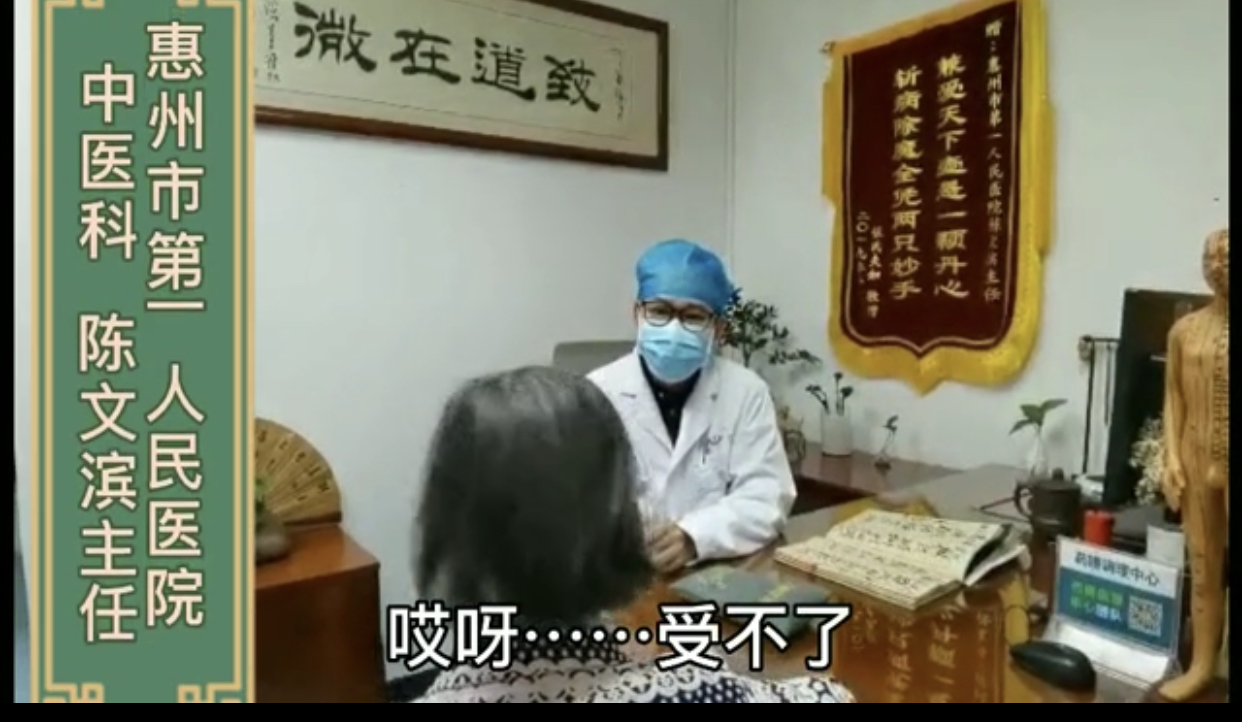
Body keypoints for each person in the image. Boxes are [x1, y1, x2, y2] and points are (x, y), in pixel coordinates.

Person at [413, 366, 853, 703]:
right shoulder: (691, 691)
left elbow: (766, 492)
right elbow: (830, 696)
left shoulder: (440, 693)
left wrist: (695, 534)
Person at [588, 239, 796, 573]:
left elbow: (766, 495)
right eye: (659, 311)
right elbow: (583, 499)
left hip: (716, 568)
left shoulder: (746, 392)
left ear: (718, 328)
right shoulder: (597, 392)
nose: (674, 328)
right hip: (624, 571)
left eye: (693, 316)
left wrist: (695, 536)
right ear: (637, 314)